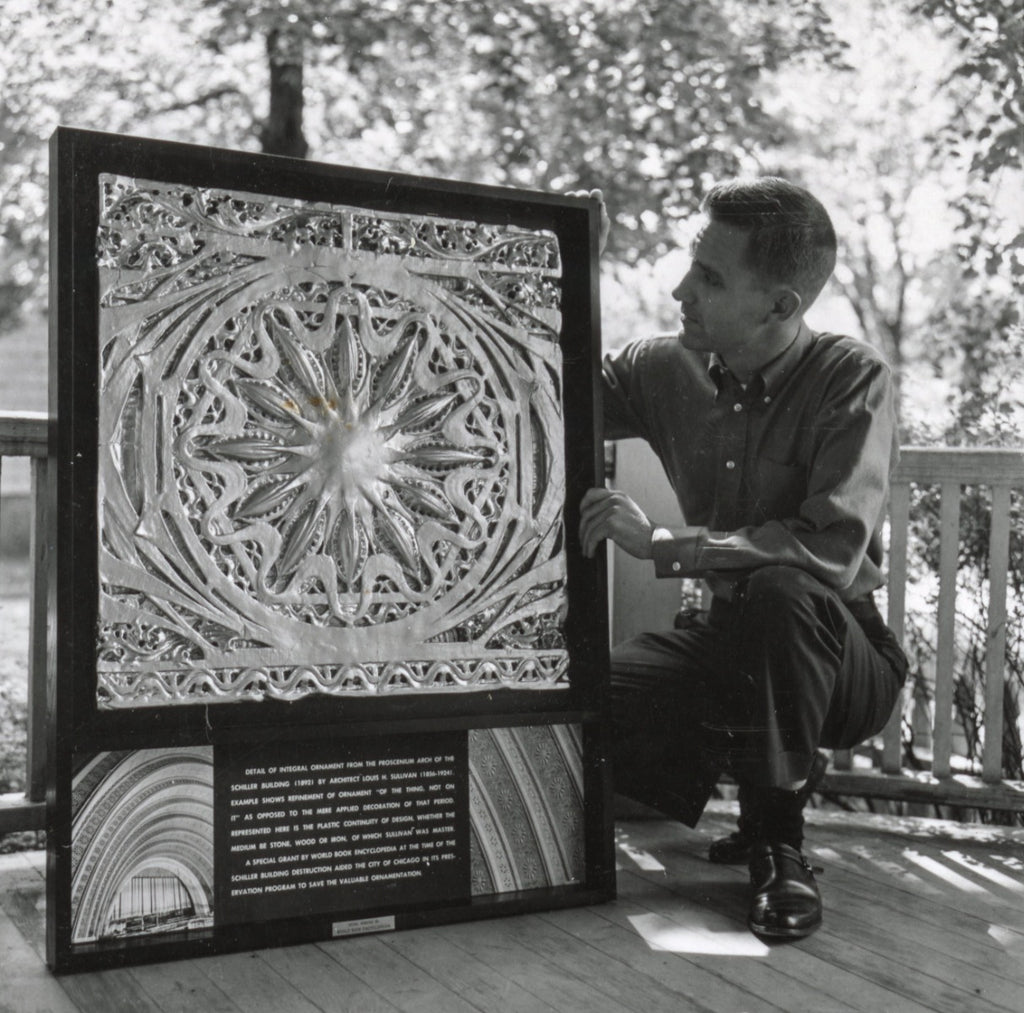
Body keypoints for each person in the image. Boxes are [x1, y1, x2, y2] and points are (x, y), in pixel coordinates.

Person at [578, 177, 908, 941]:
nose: (679, 288)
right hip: (726, 645)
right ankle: (755, 761)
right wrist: (572, 262)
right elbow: (551, 390)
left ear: (782, 306)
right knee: (587, 701)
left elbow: (829, 552)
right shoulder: (660, 368)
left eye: (712, 278)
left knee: (783, 590)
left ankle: (777, 842)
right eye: (693, 264)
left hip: (840, 653)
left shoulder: (852, 378)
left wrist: (664, 545)